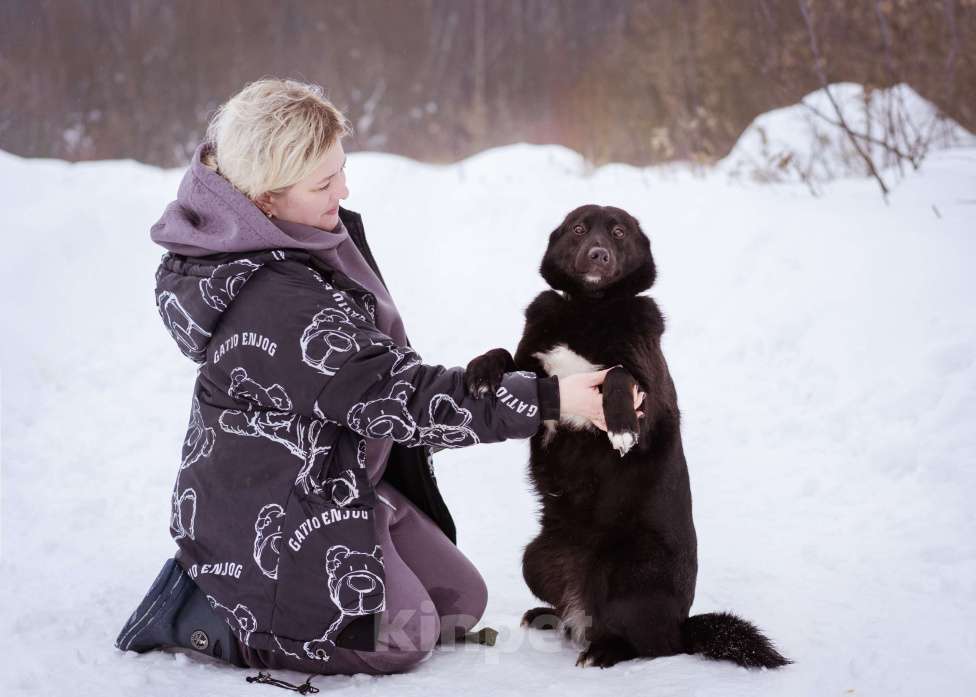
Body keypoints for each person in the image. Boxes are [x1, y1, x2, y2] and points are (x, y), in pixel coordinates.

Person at [114, 78, 622, 682]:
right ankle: (209, 613)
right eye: (323, 183)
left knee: (459, 606)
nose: (344, 190)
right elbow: (393, 393)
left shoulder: (298, 236)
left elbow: (373, 379)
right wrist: (549, 399)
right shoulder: (274, 299)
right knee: (402, 639)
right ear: (267, 198)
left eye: (341, 170)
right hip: (271, 520)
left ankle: (365, 518)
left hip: (330, 478)